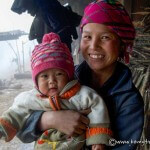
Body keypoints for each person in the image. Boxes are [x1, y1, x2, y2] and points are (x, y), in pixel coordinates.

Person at [17, 0, 144, 149]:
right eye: (87, 37)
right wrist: (49, 120)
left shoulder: (128, 101)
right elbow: (21, 129)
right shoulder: (62, 78)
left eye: (105, 37)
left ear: (122, 44)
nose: (93, 46)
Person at [0, 32, 113, 150]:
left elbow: (98, 110)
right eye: (44, 76)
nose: (52, 81)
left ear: (69, 76)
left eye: (59, 74)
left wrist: (97, 139)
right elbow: (16, 113)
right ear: (36, 81)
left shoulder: (81, 94)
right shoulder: (30, 98)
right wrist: (3, 128)